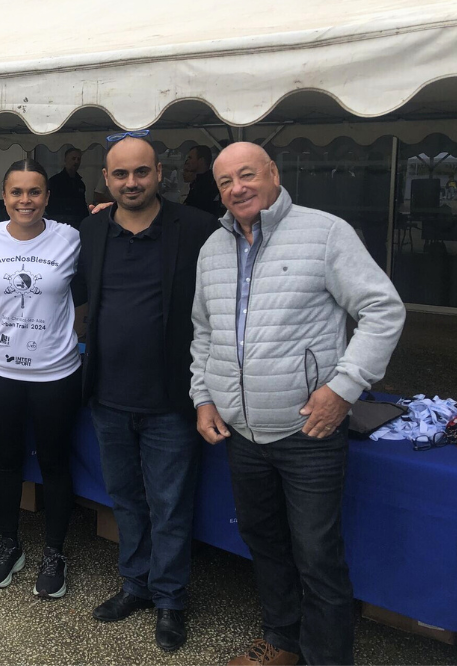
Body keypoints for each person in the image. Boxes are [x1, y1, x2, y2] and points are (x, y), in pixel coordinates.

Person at [190, 142, 406, 666]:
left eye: (247, 175)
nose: (237, 188)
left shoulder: (325, 233)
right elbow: (204, 332)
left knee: (317, 559)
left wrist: (344, 387)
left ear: (273, 174)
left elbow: (383, 309)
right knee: (265, 545)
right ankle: (283, 646)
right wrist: (203, 397)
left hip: (307, 431)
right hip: (242, 433)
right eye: (225, 181)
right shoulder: (213, 248)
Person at [75, 133, 218, 652]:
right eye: (120, 174)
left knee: (171, 505)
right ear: (107, 179)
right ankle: (135, 584)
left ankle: (171, 601)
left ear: (160, 173)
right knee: (127, 501)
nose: (131, 182)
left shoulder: (199, 228)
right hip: (108, 397)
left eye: (140, 172)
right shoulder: (92, 229)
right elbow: (77, 297)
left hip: (171, 401)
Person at [0, 159, 82, 599]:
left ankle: (54, 551)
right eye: (16, 192)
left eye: (34, 192)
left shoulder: (71, 237)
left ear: (47, 197)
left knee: (55, 461)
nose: (25, 200)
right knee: (7, 458)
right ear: (4, 197)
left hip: (55, 372)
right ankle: (9, 544)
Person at [47, 147, 89, 226]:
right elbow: (49, 204)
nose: (76, 162)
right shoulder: (55, 181)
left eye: (78, 159)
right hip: (59, 223)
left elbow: (82, 205)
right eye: (73, 158)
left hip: (77, 223)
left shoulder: (80, 183)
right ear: (65, 160)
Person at [183, 145, 225, 217]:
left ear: (201, 161)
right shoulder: (196, 182)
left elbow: (197, 206)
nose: (187, 161)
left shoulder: (211, 183)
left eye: (190, 158)